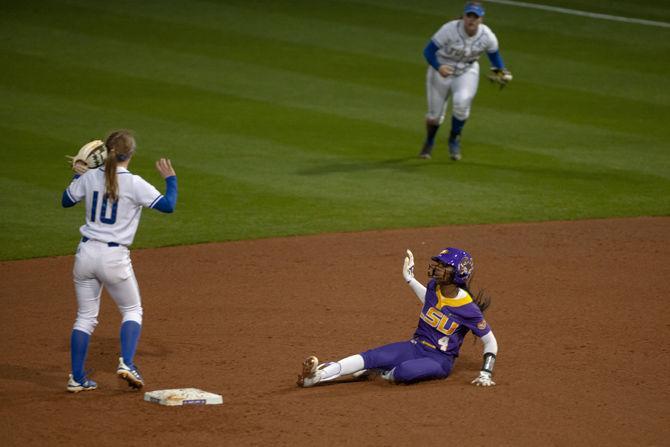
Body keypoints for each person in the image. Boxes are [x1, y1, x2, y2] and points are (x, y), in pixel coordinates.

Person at [61, 130, 178, 392]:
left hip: (85, 255)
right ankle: (126, 363)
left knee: (85, 318)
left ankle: (77, 378)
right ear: (131, 154)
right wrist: (171, 180)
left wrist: (78, 175)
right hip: (114, 258)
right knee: (132, 310)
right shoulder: (135, 183)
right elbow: (168, 205)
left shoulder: (90, 177)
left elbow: (66, 200)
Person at [297, 248, 498, 388]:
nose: (437, 268)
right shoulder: (433, 288)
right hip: (414, 346)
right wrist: (409, 279)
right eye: (438, 264)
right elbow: (428, 299)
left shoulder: (468, 309)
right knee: (370, 356)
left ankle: (379, 373)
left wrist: (485, 373)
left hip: (439, 360)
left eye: (444, 266)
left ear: (459, 274)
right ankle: (316, 377)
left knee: (404, 372)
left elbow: (490, 341)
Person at [418, 2, 512, 161]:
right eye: (469, 15)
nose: (472, 20)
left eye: (476, 17)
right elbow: (428, 51)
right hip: (440, 71)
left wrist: (501, 72)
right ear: (464, 16)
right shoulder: (449, 29)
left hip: (466, 71)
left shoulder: (487, 36)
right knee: (434, 116)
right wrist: (438, 66)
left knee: (461, 103)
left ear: (481, 19)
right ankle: (429, 141)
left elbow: (494, 57)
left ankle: (454, 139)